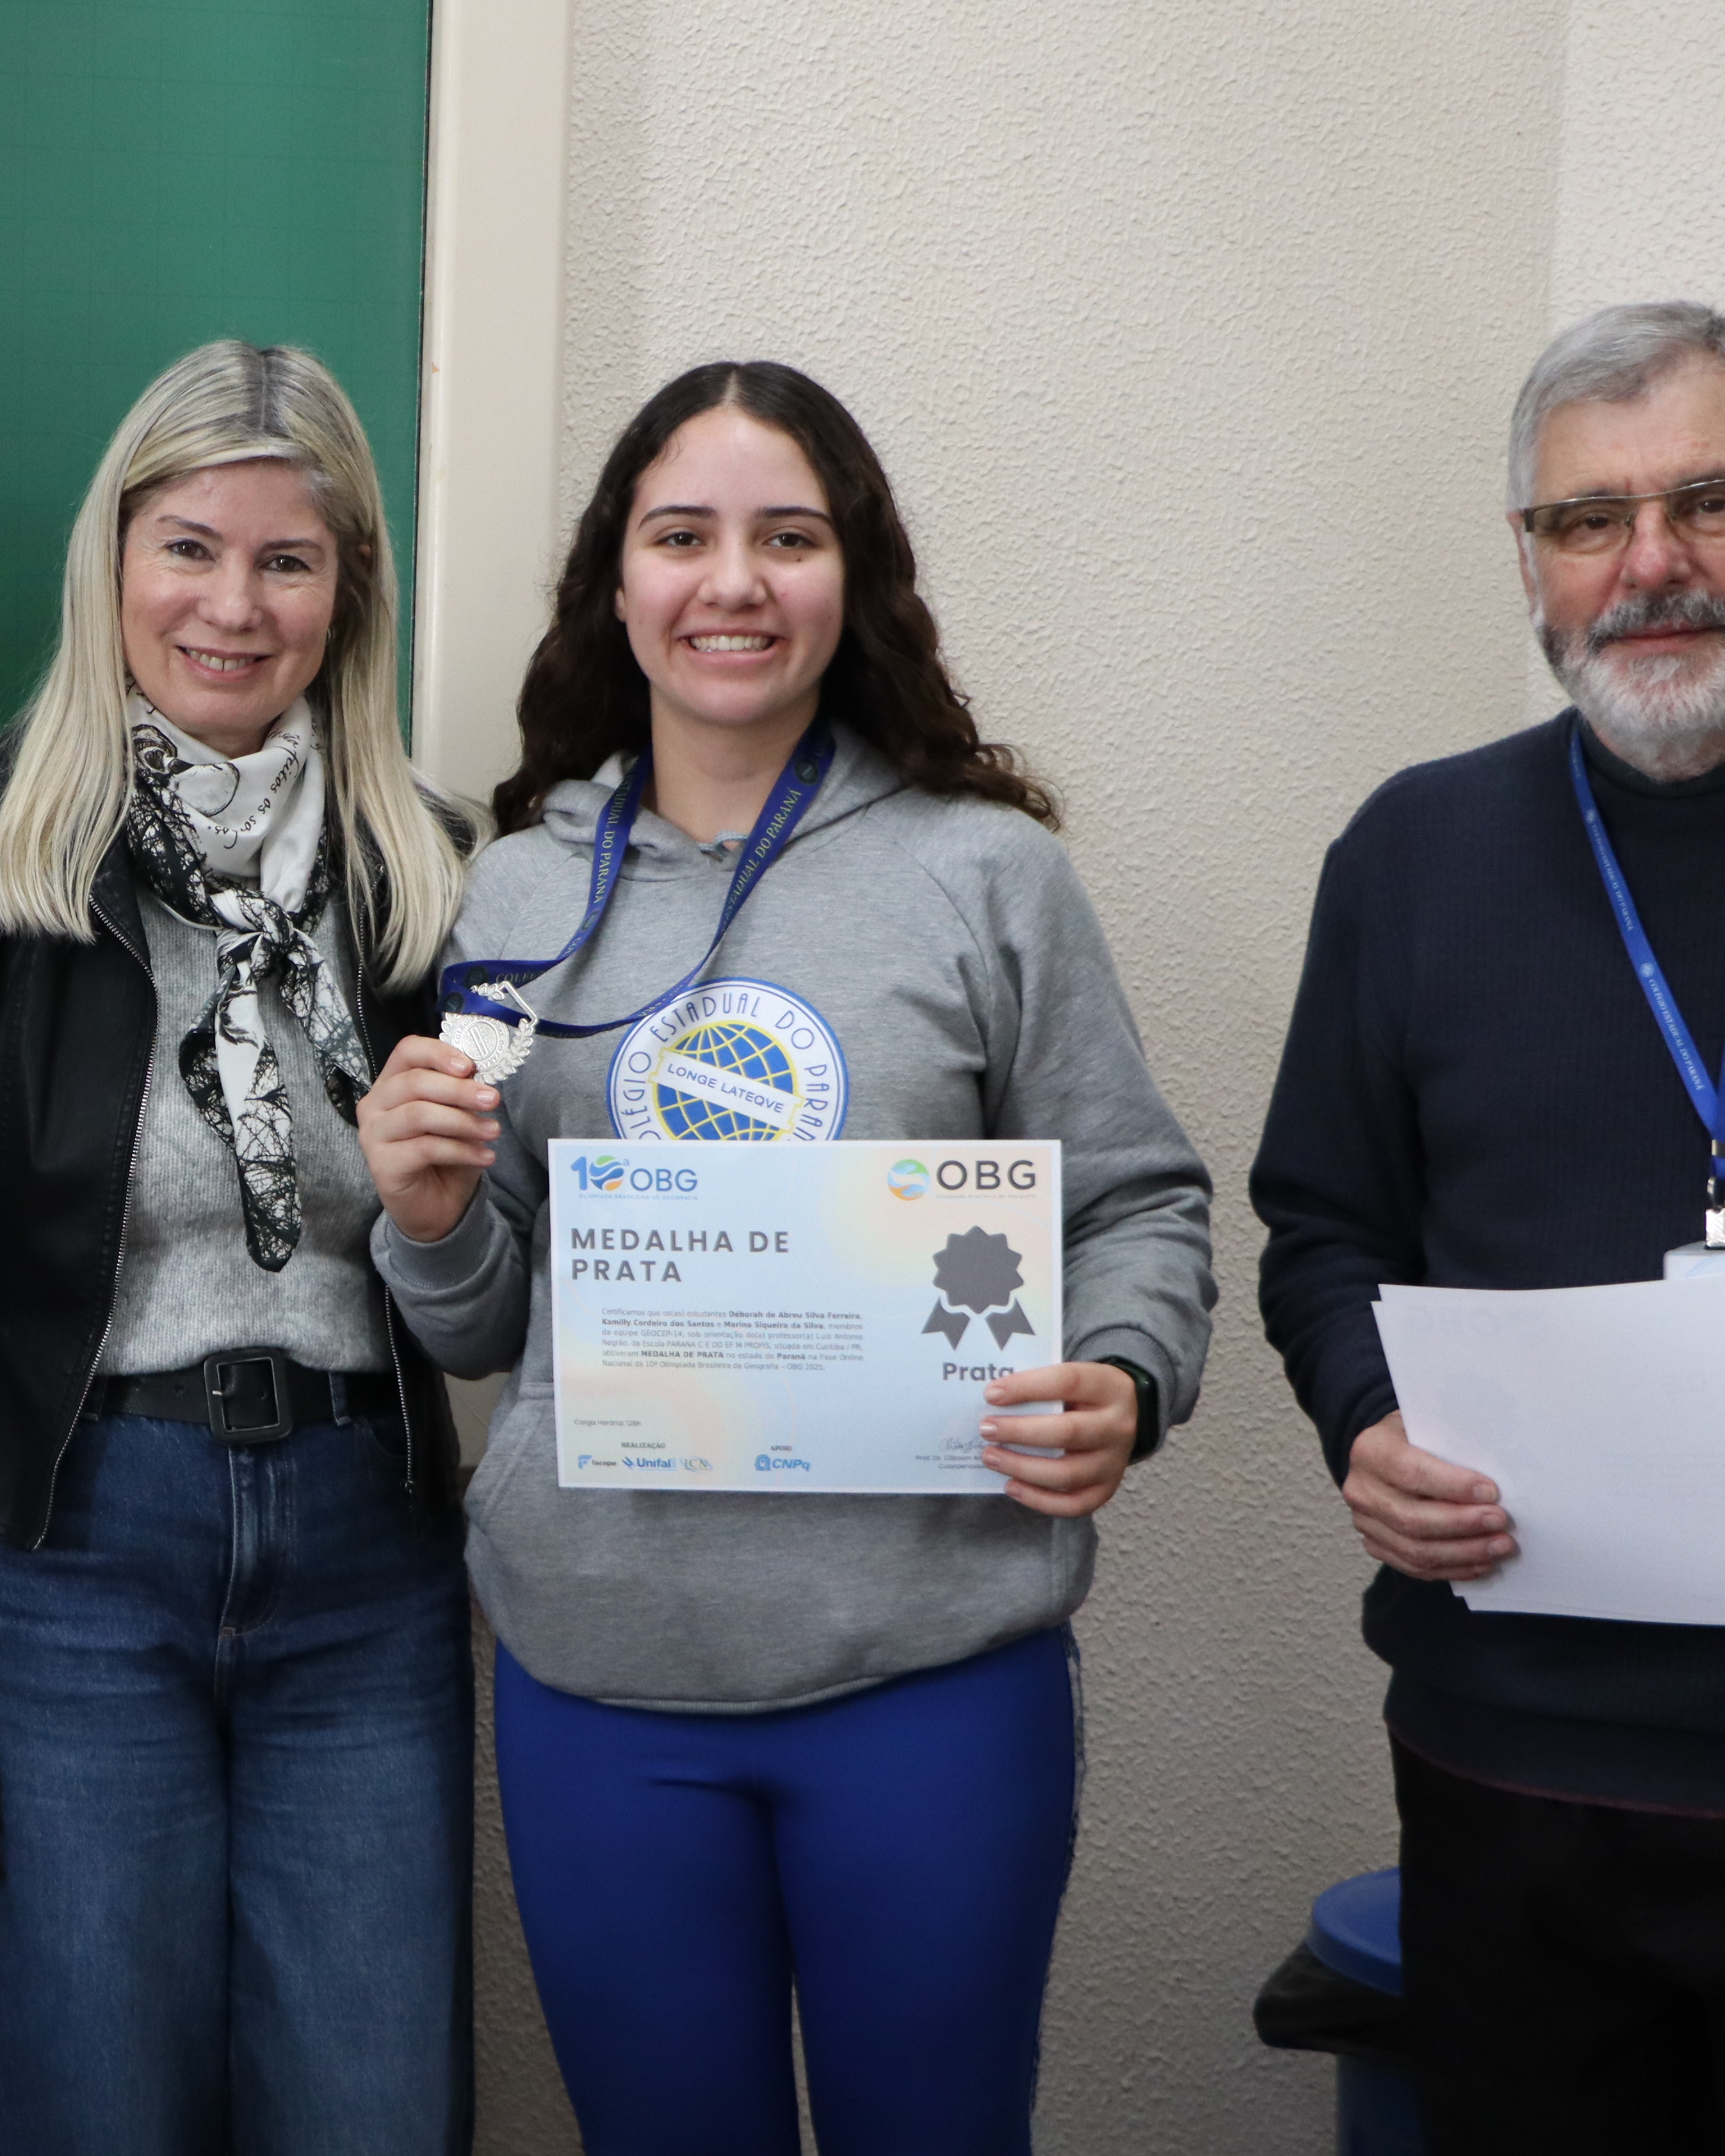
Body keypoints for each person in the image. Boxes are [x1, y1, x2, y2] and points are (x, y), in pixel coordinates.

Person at [357, 360, 1213, 2156]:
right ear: (617, 582)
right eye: (683, 537)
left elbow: (1136, 1201)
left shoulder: (991, 878)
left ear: (858, 577)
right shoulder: (519, 893)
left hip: (930, 1680)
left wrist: (1123, 1382)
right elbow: (491, 1311)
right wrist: (429, 1219)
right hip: (603, 1687)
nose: (732, 582)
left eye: (788, 537)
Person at [1254, 300, 1725, 2151]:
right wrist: (1365, 1420)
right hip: (1514, 1772)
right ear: (1531, 563)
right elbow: (1320, 1229)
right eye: (1587, 520)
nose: (1651, 564)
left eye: (1711, 501)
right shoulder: (1410, 858)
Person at [0, 339, 476, 2155]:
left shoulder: (427, 868)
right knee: (83, 2106)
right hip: (70, 1552)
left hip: (369, 1554)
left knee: (370, 2105)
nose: (234, 604)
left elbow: (478, 1267)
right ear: (111, 559)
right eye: (188, 547)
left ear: (351, 590)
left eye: (290, 559)